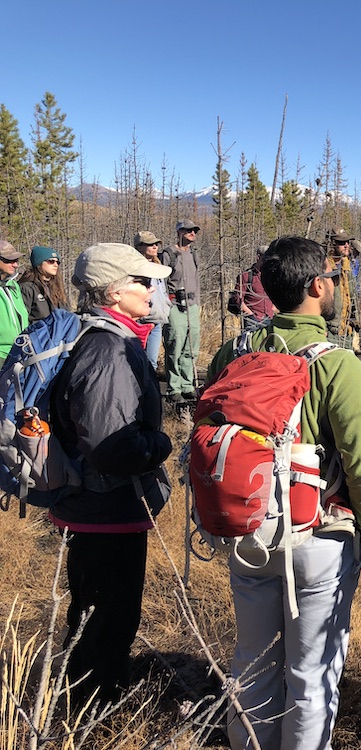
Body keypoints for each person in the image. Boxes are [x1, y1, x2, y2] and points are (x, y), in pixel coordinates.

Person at [207, 236, 361, 750]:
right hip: (318, 538)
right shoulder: (337, 363)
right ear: (317, 285)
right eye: (331, 276)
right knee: (312, 676)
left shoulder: (235, 349)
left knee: (253, 662)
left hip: (246, 532)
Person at [49, 242, 173, 705]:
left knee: (102, 613)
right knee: (104, 617)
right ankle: (91, 709)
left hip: (102, 505)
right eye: (142, 281)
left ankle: (97, 692)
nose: (151, 288)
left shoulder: (110, 338)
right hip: (104, 507)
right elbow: (112, 448)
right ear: (115, 292)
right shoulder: (107, 350)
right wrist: (161, 445)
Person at [160, 219, 202, 402]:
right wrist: (166, 304)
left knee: (191, 347)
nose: (193, 233)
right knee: (175, 344)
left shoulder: (194, 254)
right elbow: (161, 281)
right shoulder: (169, 254)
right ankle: (173, 388)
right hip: (174, 305)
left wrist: (198, 304)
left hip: (192, 306)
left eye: (194, 231)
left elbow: (197, 280)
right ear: (179, 232)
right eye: (188, 230)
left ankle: (187, 385)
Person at [134, 231, 171, 367]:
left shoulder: (158, 268)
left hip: (156, 322)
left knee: (152, 363)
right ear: (139, 247)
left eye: (156, 244)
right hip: (141, 322)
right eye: (150, 244)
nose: (155, 247)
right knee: (139, 361)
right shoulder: (136, 268)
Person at [229, 245, 275, 332]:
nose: (268, 261)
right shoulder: (246, 276)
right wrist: (250, 314)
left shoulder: (271, 277)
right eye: (265, 257)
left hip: (269, 319)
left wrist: (273, 310)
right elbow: (237, 299)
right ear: (258, 257)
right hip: (252, 321)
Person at [18, 245, 69, 324]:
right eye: (51, 261)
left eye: (57, 262)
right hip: (37, 334)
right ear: (39, 263)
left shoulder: (57, 287)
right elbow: (22, 320)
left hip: (59, 333)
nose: (56, 265)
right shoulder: (27, 288)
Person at [325, 228, 358, 348]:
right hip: (329, 332)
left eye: (347, 242)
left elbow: (352, 296)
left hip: (346, 331)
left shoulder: (347, 266)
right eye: (341, 243)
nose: (346, 245)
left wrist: (355, 319)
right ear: (332, 245)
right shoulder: (324, 268)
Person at [0, 240, 28, 366]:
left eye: (16, 260)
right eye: (10, 260)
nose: (15, 265)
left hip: (19, 353)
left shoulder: (14, 286)